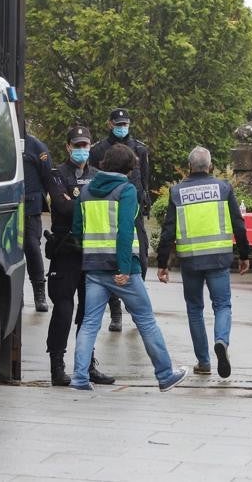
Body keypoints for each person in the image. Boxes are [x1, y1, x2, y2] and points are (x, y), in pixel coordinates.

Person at [70, 143, 186, 392]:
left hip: (93, 266)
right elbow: (125, 231)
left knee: (90, 322)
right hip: (123, 270)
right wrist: (123, 267)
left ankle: (79, 377)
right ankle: (165, 375)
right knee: (146, 320)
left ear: (104, 164)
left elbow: (77, 230)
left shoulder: (87, 190)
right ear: (129, 168)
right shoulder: (126, 190)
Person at [156, 146, 251, 378]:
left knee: (195, 309)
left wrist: (162, 263)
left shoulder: (177, 192)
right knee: (222, 305)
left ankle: (204, 361)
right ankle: (221, 341)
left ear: (190, 167)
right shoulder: (223, 188)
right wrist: (245, 255)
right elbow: (238, 223)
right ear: (210, 166)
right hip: (219, 258)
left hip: (190, 261)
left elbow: (168, 230)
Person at [43, 124, 114, 387]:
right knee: (63, 309)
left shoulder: (97, 175)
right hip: (65, 250)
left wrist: (77, 202)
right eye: (78, 145)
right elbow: (61, 206)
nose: (82, 149)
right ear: (68, 147)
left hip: (91, 250)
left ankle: (87, 364)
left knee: (90, 311)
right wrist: (87, 203)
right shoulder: (56, 174)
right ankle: (57, 366)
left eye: (86, 145)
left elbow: (101, 206)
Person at [89, 108, 153, 332]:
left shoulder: (140, 149)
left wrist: (145, 203)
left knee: (140, 258)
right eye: (118, 123)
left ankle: (134, 306)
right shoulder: (98, 150)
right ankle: (115, 311)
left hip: (132, 208)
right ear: (110, 124)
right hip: (107, 211)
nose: (122, 127)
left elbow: (144, 180)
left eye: (125, 123)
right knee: (109, 259)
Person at [22, 132, 52, 312]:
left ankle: (39, 292)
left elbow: (47, 175)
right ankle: (16, 295)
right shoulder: (0, 139)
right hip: (6, 207)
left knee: (32, 247)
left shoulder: (35, 145)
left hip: (29, 208)